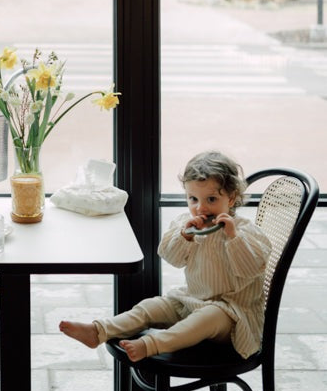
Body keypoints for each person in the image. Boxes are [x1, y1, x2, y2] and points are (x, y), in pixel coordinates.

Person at [59, 150, 272, 362]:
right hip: (192, 301)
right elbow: (171, 257)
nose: (201, 208)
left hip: (233, 316)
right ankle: (99, 330)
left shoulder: (246, 232)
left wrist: (232, 236)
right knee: (151, 306)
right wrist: (184, 236)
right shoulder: (185, 225)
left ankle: (152, 345)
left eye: (211, 199)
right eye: (193, 199)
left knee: (209, 316)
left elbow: (251, 267)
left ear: (232, 198)